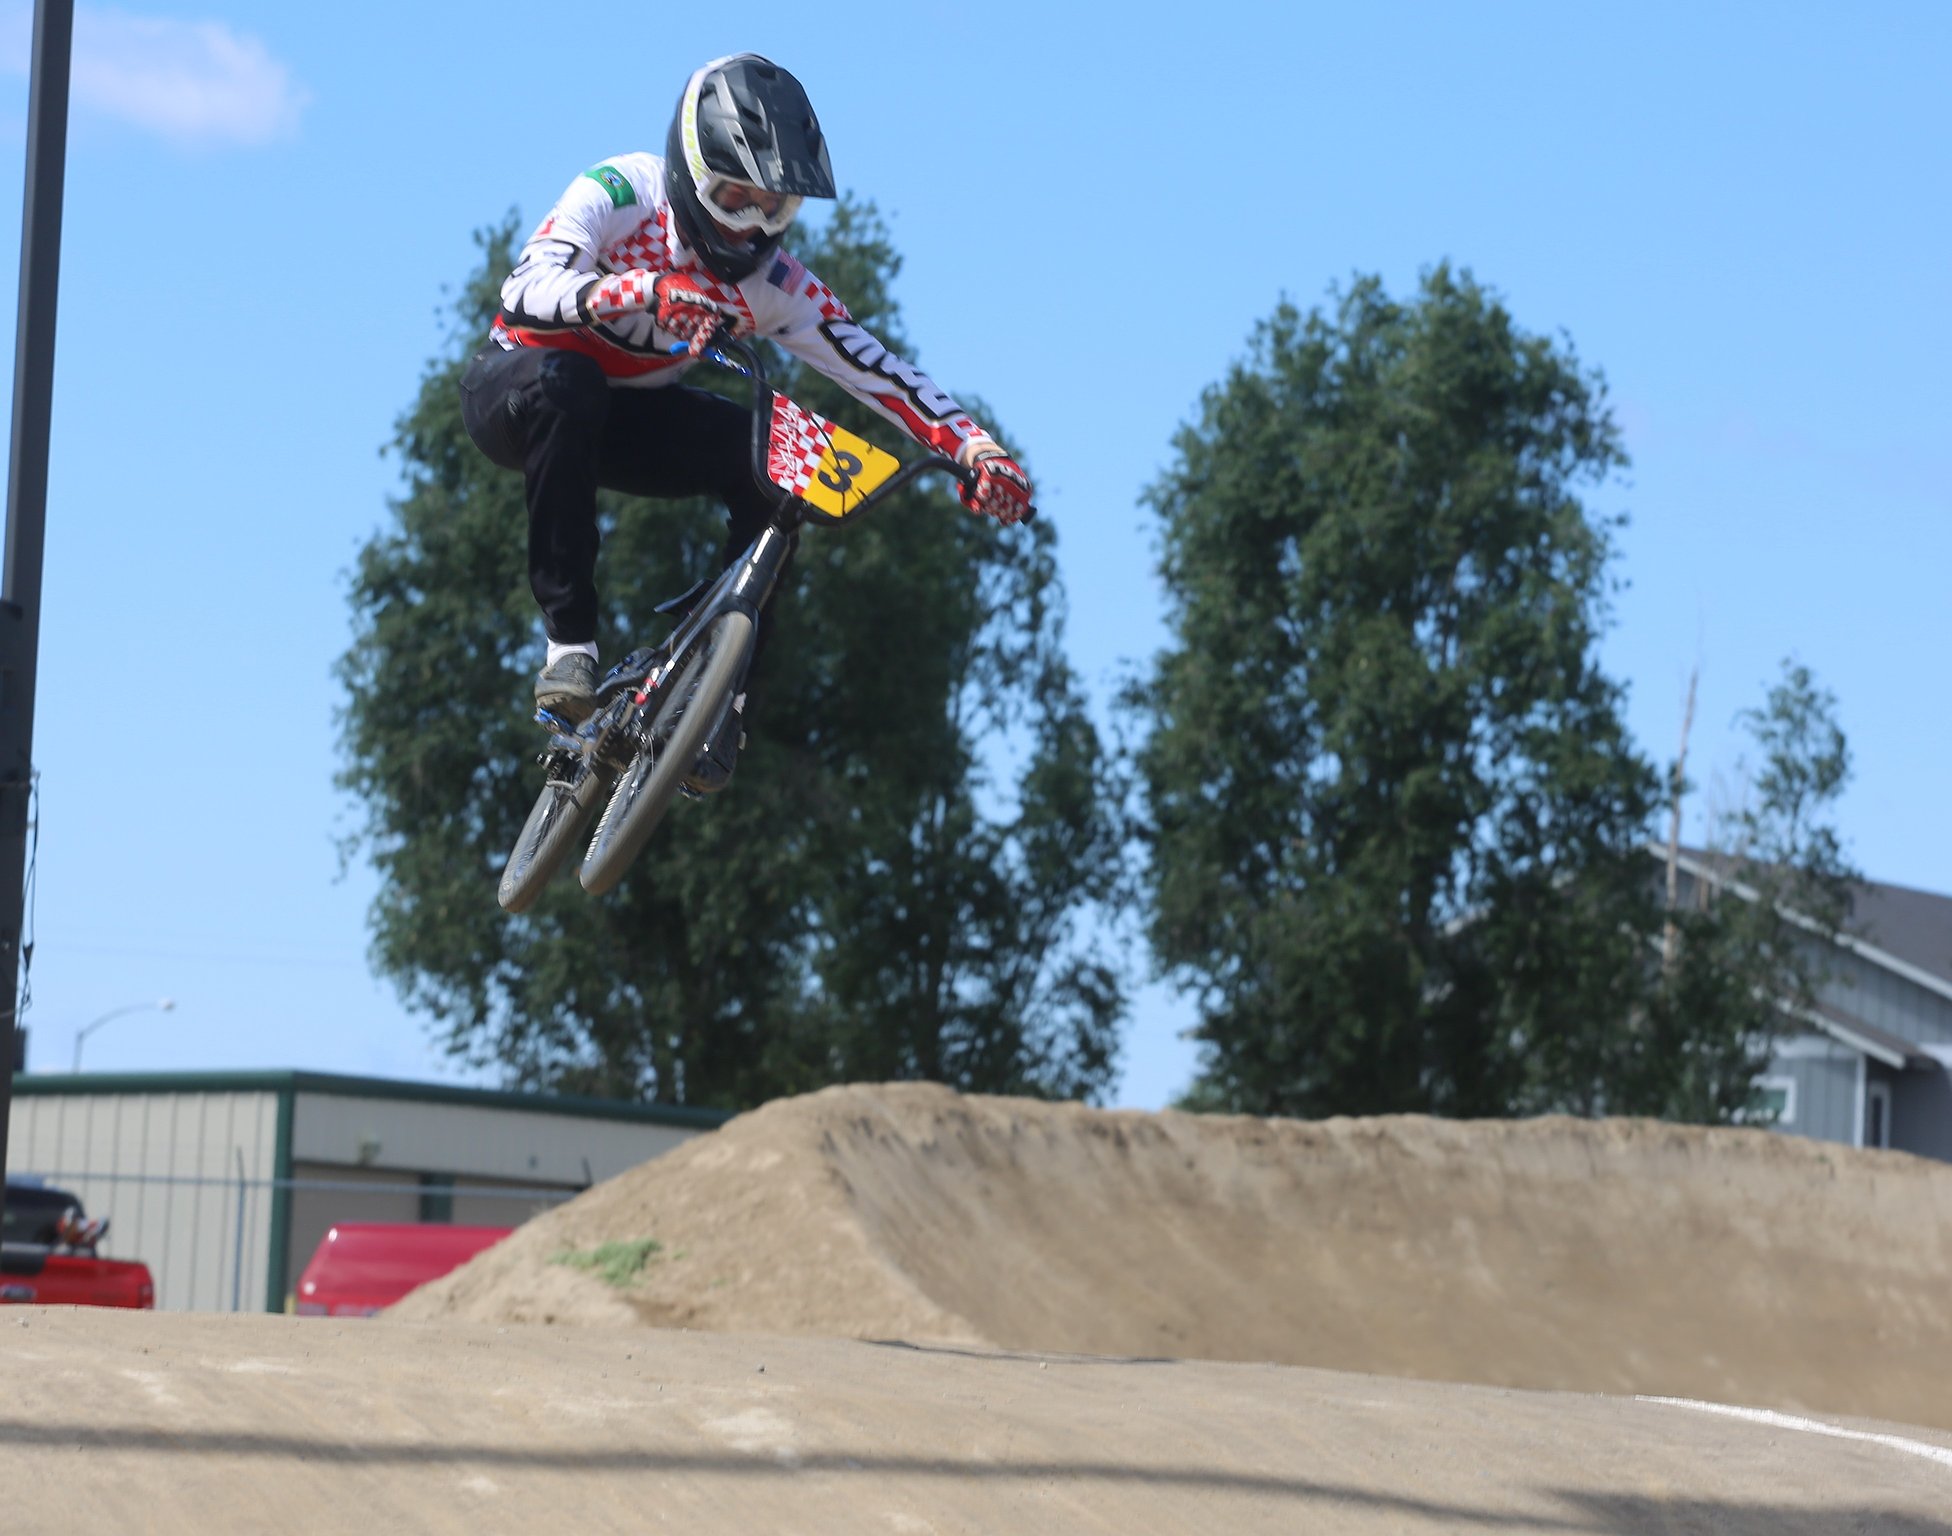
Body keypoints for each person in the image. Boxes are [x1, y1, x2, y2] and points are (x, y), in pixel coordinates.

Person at [459, 52, 1034, 783]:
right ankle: (569, 648)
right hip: (518, 389)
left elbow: (880, 371)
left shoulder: (773, 285)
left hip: (630, 420)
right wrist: (645, 289)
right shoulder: (622, 189)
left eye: (775, 208)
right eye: (736, 198)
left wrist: (977, 450)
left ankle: (712, 696)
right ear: (691, 172)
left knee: (782, 469)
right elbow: (524, 288)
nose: (751, 227)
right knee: (572, 382)